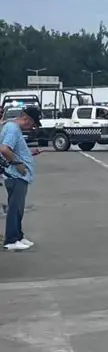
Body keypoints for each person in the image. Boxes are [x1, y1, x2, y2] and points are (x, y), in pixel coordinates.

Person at [1, 107, 42, 251]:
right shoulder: (12, 129)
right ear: (27, 119)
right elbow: (4, 149)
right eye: (33, 124)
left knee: (18, 208)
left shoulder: (13, 128)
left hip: (19, 176)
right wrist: (18, 164)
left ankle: (18, 236)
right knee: (15, 208)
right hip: (16, 176)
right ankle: (11, 239)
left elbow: (14, 150)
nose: (32, 127)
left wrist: (29, 155)